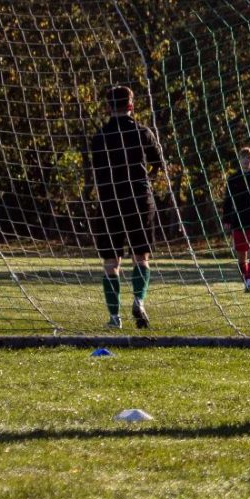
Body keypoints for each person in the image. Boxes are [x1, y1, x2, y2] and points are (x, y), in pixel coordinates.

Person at [85, 84, 166, 329]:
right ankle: (139, 301)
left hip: (109, 201)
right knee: (141, 257)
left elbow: (95, 170)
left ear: (108, 107)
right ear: (131, 105)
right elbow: (158, 163)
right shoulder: (143, 132)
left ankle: (114, 317)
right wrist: (147, 180)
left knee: (111, 262)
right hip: (139, 199)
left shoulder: (99, 137)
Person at [223, 145, 250, 293]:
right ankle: (246, 280)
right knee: (242, 257)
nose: (247, 160)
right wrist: (226, 220)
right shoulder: (233, 179)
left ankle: (249, 283)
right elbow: (228, 201)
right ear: (240, 159)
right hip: (238, 222)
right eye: (244, 157)